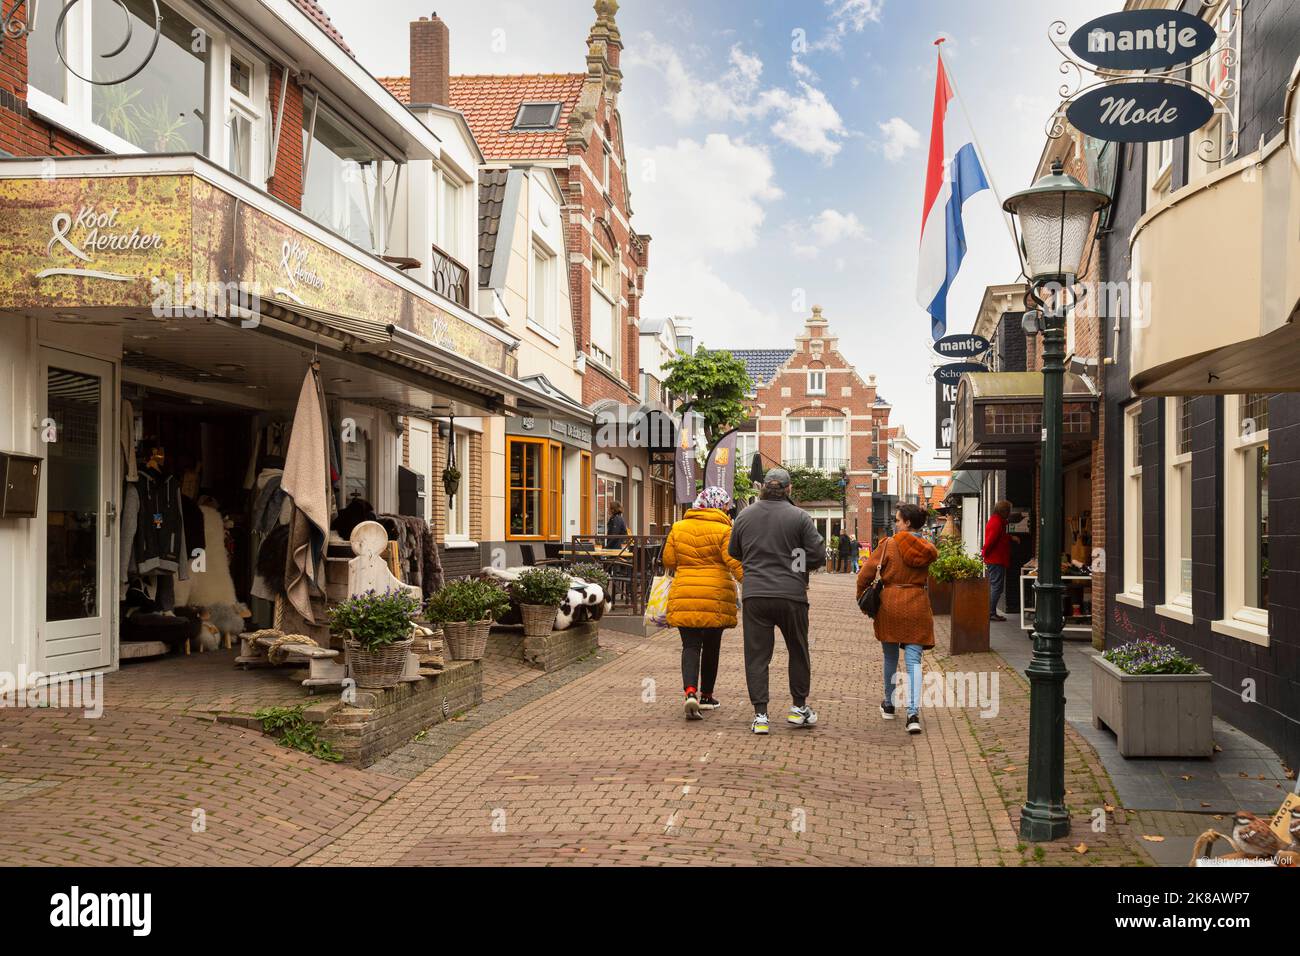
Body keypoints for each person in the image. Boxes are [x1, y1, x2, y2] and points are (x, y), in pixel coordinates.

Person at [728, 468, 826, 735]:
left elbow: (733, 551)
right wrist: (796, 564)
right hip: (792, 594)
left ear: (762, 488)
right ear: (789, 489)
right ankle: (798, 708)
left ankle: (760, 715)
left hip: (755, 594)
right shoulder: (800, 517)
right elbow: (818, 555)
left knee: (757, 656)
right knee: (798, 650)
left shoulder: (744, 516)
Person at [662, 486, 743, 720]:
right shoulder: (725, 530)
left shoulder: (678, 527)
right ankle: (707, 696)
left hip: (685, 592)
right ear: (719, 506)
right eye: (727, 507)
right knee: (711, 647)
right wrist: (752, 583)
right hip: (715, 597)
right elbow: (734, 563)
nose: (729, 511)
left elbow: (668, 559)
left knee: (690, 646)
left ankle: (690, 692)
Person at [857, 503, 939, 735]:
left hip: (890, 604)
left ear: (907, 523)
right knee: (914, 661)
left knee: (890, 657)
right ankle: (913, 714)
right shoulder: (927, 548)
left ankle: (889, 703)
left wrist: (861, 597)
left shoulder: (889, 545)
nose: (896, 523)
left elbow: (865, 575)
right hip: (917, 604)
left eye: (898, 520)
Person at [982, 500, 1018, 622]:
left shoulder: (997, 522)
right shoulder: (996, 523)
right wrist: (984, 554)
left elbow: (999, 537)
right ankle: (990, 612)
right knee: (996, 587)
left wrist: (1010, 537)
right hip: (996, 560)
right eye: (1008, 511)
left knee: (996, 586)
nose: (1009, 514)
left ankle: (990, 611)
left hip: (996, 559)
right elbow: (990, 541)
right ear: (1003, 511)